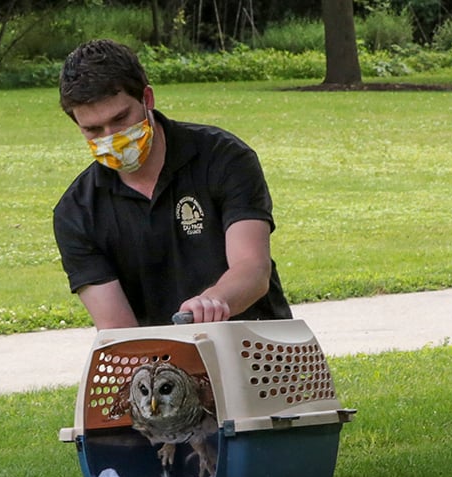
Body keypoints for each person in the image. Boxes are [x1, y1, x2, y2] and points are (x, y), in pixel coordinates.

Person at [53, 39, 292, 329]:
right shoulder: (77, 212)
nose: (111, 136)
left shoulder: (223, 158)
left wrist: (213, 301)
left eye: (120, 118)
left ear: (147, 99)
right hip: (157, 365)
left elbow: (253, 270)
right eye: (92, 129)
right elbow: (118, 332)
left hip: (256, 350)